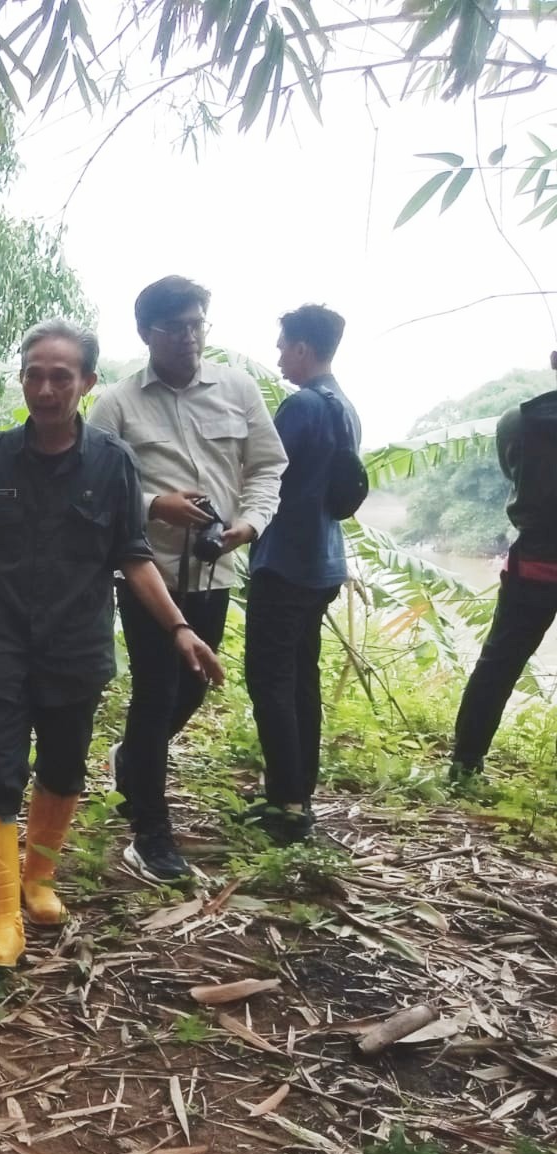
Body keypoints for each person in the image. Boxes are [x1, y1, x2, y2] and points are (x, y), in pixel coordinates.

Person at [0, 320, 225, 968]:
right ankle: (4, 919)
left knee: (64, 768)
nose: (45, 388)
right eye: (34, 374)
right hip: (3, 641)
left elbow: (134, 554)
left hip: (77, 643)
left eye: (60, 376)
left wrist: (179, 628)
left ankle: (39, 878)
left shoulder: (112, 463)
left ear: (86, 383)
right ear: (22, 379)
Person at [87, 276, 286, 883]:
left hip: (215, 565)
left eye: (198, 323)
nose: (190, 336)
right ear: (147, 333)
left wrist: (249, 524)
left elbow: (268, 465)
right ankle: (151, 832)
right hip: (148, 572)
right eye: (175, 327)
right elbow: (93, 487)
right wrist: (154, 506)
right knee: (155, 694)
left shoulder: (238, 389)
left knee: (193, 686)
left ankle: (132, 760)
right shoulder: (117, 404)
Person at [244, 306, 362, 842]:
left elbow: (261, 471)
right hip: (322, 563)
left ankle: (287, 806)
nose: (278, 355)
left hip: (285, 563)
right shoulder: (346, 407)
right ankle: (296, 793)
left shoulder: (301, 407)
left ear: (303, 350)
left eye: (283, 345)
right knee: (300, 678)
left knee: (269, 680)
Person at [450, 350, 557, 777]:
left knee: (498, 664)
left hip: (535, 561)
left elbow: (513, 471)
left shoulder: (518, 420)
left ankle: (465, 762)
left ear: (553, 360)